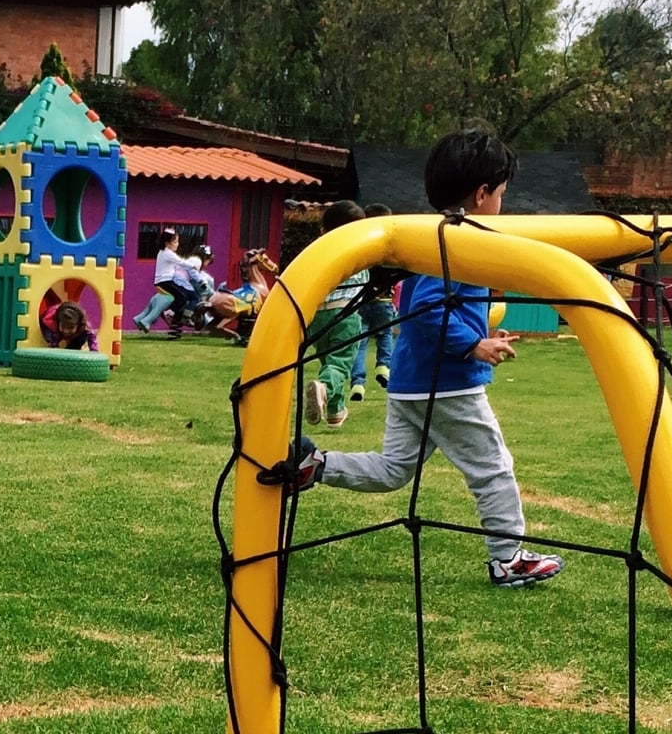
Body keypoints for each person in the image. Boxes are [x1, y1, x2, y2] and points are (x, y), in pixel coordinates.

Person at [273, 126, 563, 590]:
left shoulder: (441, 236)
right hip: (448, 385)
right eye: (503, 194)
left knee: (394, 470)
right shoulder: (455, 241)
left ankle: (314, 465)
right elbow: (424, 311)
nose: (503, 204)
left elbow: (441, 309)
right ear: (483, 193)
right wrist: (473, 346)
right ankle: (508, 557)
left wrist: (484, 333)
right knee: (493, 467)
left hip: (414, 382)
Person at [304, 201, 394, 428]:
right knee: (340, 364)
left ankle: (335, 411)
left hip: (317, 318)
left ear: (323, 230)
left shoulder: (315, 252)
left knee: (329, 361)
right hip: (345, 314)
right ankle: (324, 388)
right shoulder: (357, 253)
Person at [134, 226, 211, 334]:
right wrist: (192, 266)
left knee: (181, 295)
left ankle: (140, 319)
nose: (177, 244)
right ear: (168, 243)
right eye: (175, 242)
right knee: (182, 297)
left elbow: (176, 264)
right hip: (165, 281)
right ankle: (170, 313)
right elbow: (181, 262)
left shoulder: (162, 252)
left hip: (163, 280)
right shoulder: (167, 253)